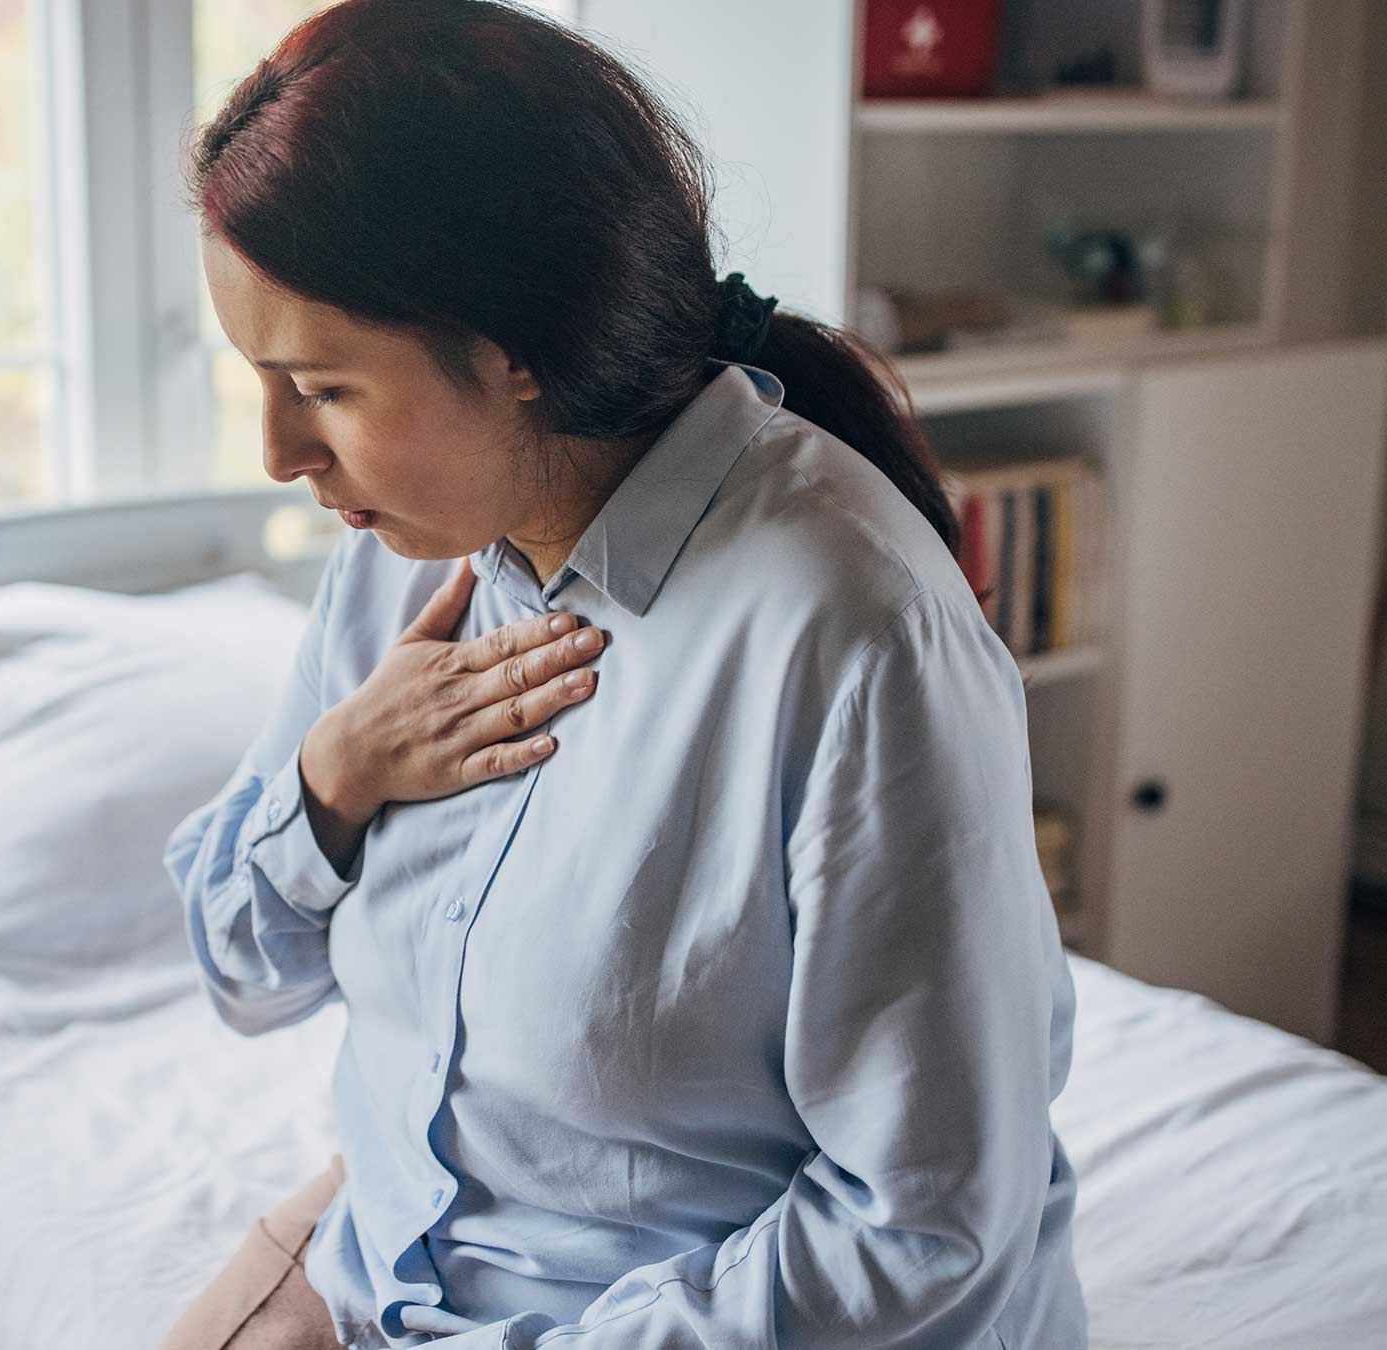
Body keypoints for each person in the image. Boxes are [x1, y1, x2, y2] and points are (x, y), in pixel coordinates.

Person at [161, 2, 1084, 1346]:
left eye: (322, 387)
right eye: (257, 379)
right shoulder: (406, 551)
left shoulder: (850, 633)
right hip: (395, 1254)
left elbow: (923, 1222)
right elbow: (238, 966)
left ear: (514, 353)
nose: (276, 452)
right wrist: (333, 778)